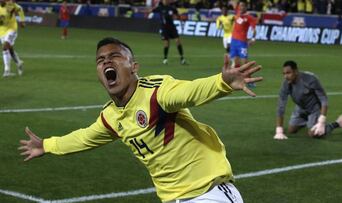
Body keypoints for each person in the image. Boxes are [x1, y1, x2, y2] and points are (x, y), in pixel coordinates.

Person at [19, 37, 263, 202]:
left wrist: (222, 82)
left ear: (134, 66)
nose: (106, 61)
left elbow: (190, 92)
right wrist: (46, 145)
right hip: (174, 199)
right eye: (101, 60)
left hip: (209, 195)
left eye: (114, 56)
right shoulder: (111, 117)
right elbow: (84, 138)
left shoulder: (157, 92)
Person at [274, 60, 342, 140]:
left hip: (314, 109)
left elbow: (323, 98)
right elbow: (281, 106)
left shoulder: (310, 79)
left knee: (314, 134)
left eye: (288, 73)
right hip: (300, 108)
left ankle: (338, 123)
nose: (285, 76)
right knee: (291, 130)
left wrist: (321, 120)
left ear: (296, 71)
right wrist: (279, 131)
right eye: (284, 73)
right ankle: (310, 123)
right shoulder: (286, 84)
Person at [152, 0, 187, 65]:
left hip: (172, 27)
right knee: (166, 44)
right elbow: (152, 10)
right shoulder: (160, 8)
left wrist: (180, 18)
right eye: (164, 0)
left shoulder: (172, 8)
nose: (166, 1)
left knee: (178, 42)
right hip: (164, 28)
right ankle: (165, 59)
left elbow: (177, 15)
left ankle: (182, 59)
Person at [0, 0, 25, 77]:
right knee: (9, 48)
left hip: (12, 28)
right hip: (2, 30)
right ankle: (19, 62)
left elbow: (20, 9)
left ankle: (7, 70)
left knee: (4, 47)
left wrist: (22, 20)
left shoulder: (10, 5)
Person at [230, 1, 257, 68]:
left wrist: (253, 39)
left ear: (246, 7)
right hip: (233, 40)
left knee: (244, 61)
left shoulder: (249, 18)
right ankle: (237, 77)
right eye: (240, 6)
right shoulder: (237, 12)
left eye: (242, 6)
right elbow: (233, 2)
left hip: (242, 42)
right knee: (235, 62)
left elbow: (254, 30)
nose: (240, 7)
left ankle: (248, 76)